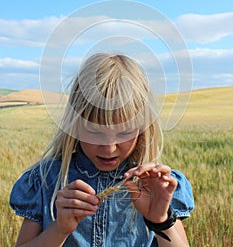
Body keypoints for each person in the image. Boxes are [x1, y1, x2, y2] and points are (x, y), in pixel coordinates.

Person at [10, 53, 194, 246]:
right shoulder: (46, 180)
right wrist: (59, 229)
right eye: (94, 132)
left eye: (124, 133)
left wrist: (161, 220)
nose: (109, 148)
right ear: (74, 126)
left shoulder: (159, 187)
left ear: (143, 129)